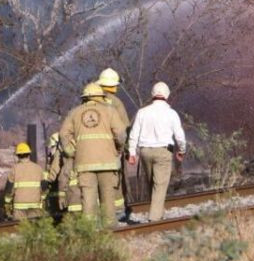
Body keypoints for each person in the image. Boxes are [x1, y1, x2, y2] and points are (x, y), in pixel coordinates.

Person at [60, 82, 127, 225]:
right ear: (101, 97)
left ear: (84, 98)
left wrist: (71, 152)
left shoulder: (74, 112)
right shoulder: (110, 111)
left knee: (88, 200)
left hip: (84, 164)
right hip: (107, 163)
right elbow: (121, 134)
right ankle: (110, 230)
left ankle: (90, 232)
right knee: (108, 198)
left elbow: (63, 135)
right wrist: (118, 149)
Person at [128, 81, 187, 222]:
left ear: (152, 94)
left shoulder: (142, 112)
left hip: (145, 152)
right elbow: (179, 136)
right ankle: (154, 218)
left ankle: (158, 213)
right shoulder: (171, 113)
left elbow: (134, 133)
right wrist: (182, 150)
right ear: (167, 95)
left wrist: (132, 152)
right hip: (163, 152)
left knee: (151, 184)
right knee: (159, 185)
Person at [97, 67, 134, 221]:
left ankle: (99, 211)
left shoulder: (90, 101)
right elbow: (124, 129)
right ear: (113, 85)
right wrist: (126, 150)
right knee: (115, 180)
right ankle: (117, 212)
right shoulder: (116, 103)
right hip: (112, 150)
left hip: (92, 150)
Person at [3, 142, 49, 221]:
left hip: (19, 207)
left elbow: (9, 189)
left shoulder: (14, 169)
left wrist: (7, 203)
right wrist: (43, 199)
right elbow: (44, 188)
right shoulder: (38, 168)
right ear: (29, 154)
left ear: (18, 155)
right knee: (35, 229)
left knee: (19, 229)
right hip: (35, 205)